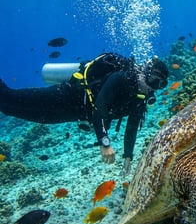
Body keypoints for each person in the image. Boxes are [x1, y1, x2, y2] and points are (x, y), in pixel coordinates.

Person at [0, 53, 168, 174]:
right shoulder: (121, 78)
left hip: (72, 114)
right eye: (153, 80)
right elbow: (99, 108)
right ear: (144, 73)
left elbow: (131, 127)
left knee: (7, 109)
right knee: (9, 98)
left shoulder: (139, 99)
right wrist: (105, 142)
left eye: (160, 85)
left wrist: (128, 156)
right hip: (66, 96)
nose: (153, 88)